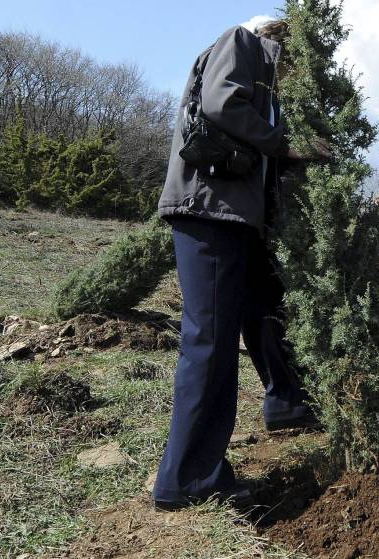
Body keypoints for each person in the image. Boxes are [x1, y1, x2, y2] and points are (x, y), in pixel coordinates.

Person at [153, 20, 331, 512]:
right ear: (289, 39)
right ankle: (186, 478)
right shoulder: (245, 42)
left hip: (239, 218)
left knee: (266, 306)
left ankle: (287, 401)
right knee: (209, 340)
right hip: (209, 211)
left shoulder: (269, 77)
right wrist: (282, 142)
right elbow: (221, 103)